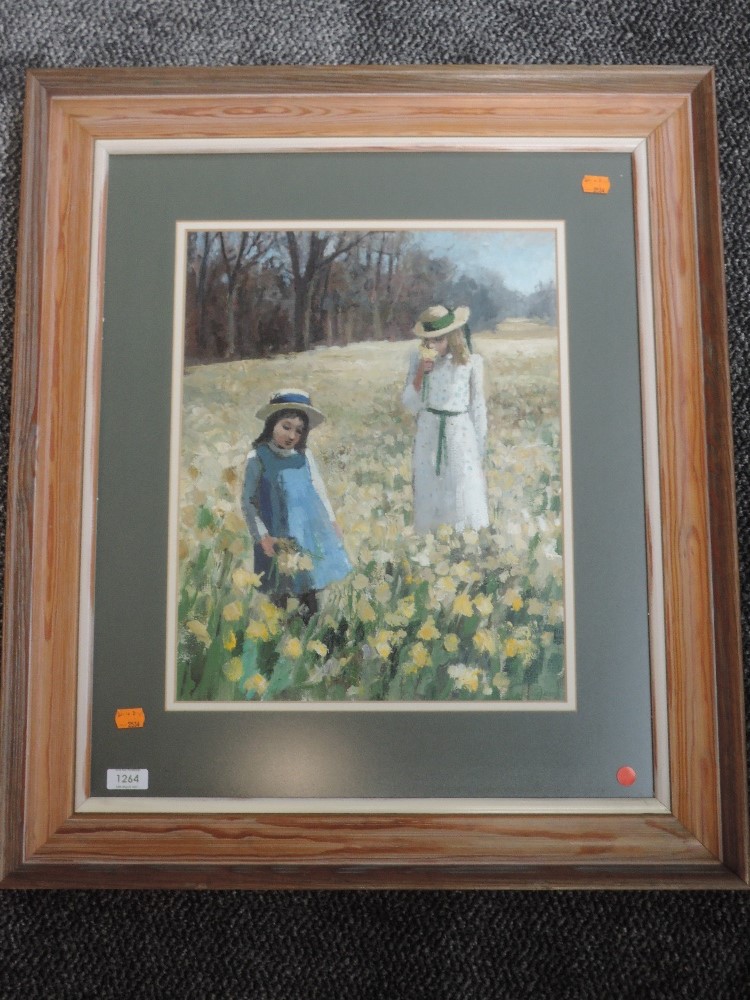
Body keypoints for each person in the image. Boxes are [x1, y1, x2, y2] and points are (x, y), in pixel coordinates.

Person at [241, 388, 351, 620]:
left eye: (299, 431)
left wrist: (331, 520)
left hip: (310, 530)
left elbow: (318, 488)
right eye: (286, 427)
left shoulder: (304, 456)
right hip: (278, 533)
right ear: (272, 424)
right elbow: (248, 501)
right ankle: (279, 636)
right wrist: (261, 535)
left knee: (310, 583)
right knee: (280, 588)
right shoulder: (257, 457)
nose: (292, 436)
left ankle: (310, 630)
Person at [402, 305, 489, 534]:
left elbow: (478, 406)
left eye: (438, 340)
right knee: (429, 482)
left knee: (461, 483)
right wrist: (422, 373)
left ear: (452, 336)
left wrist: (479, 446)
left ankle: (465, 538)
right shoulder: (418, 360)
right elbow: (410, 403)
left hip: (459, 431)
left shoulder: (471, 362)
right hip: (429, 429)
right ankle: (429, 536)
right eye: (427, 340)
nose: (432, 346)